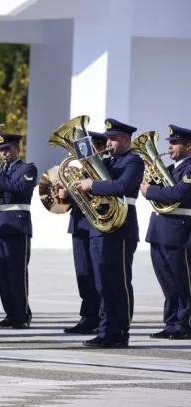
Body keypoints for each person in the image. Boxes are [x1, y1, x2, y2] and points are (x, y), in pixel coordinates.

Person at [72, 118, 144, 348]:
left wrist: (91, 185)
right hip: (100, 226)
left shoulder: (133, 161)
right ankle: (105, 330)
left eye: (113, 139)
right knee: (102, 282)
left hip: (121, 227)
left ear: (125, 139)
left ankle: (119, 331)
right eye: (108, 139)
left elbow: (122, 186)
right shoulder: (106, 162)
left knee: (118, 282)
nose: (109, 143)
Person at [141, 124, 191, 340]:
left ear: (188, 146)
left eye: (174, 143)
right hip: (159, 231)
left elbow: (178, 193)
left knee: (183, 282)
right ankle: (171, 323)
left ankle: (185, 324)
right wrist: (149, 182)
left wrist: (150, 190)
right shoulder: (170, 169)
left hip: (179, 233)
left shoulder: (189, 169)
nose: (169, 147)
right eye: (169, 143)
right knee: (168, 283)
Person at [60, 131, 107, 335]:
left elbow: (102, 193)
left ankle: (100, 317)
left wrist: (76, 192)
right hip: (79, 224)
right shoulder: (82, 169)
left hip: (96, 224)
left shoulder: (104, 168)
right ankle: (87, 317)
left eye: (91, 147)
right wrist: (64, 194)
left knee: (98, 275)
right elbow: (77, 195)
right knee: (83, 275)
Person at [0, 133, 38, 329]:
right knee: (3, 273)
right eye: (1, 150)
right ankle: (10, 313)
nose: (4, 154)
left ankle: (22, 313)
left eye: (8, 149)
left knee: (17, 272)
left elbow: (21, 188)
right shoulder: (1, 169)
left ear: (17, 149)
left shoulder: (28, 168)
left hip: (18, 226)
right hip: (1, 224)